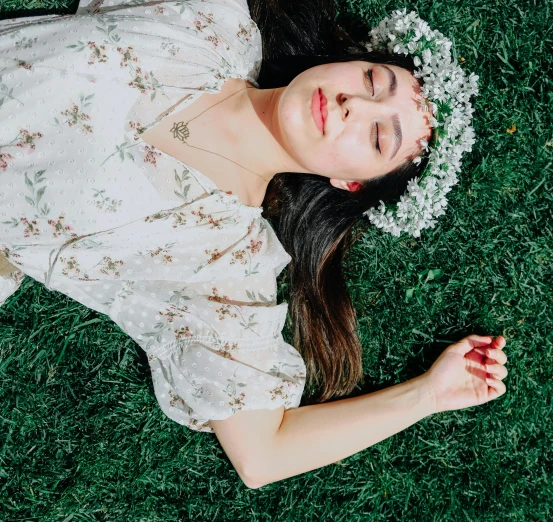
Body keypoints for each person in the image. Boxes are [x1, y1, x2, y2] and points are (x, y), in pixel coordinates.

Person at [0, 0, 508, 488]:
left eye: (379, 138)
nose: (354, 104)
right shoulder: (211, 20)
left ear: (351, 184)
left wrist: (428, 394)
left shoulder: (223, 261)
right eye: (374, 80)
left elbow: (263, 454)